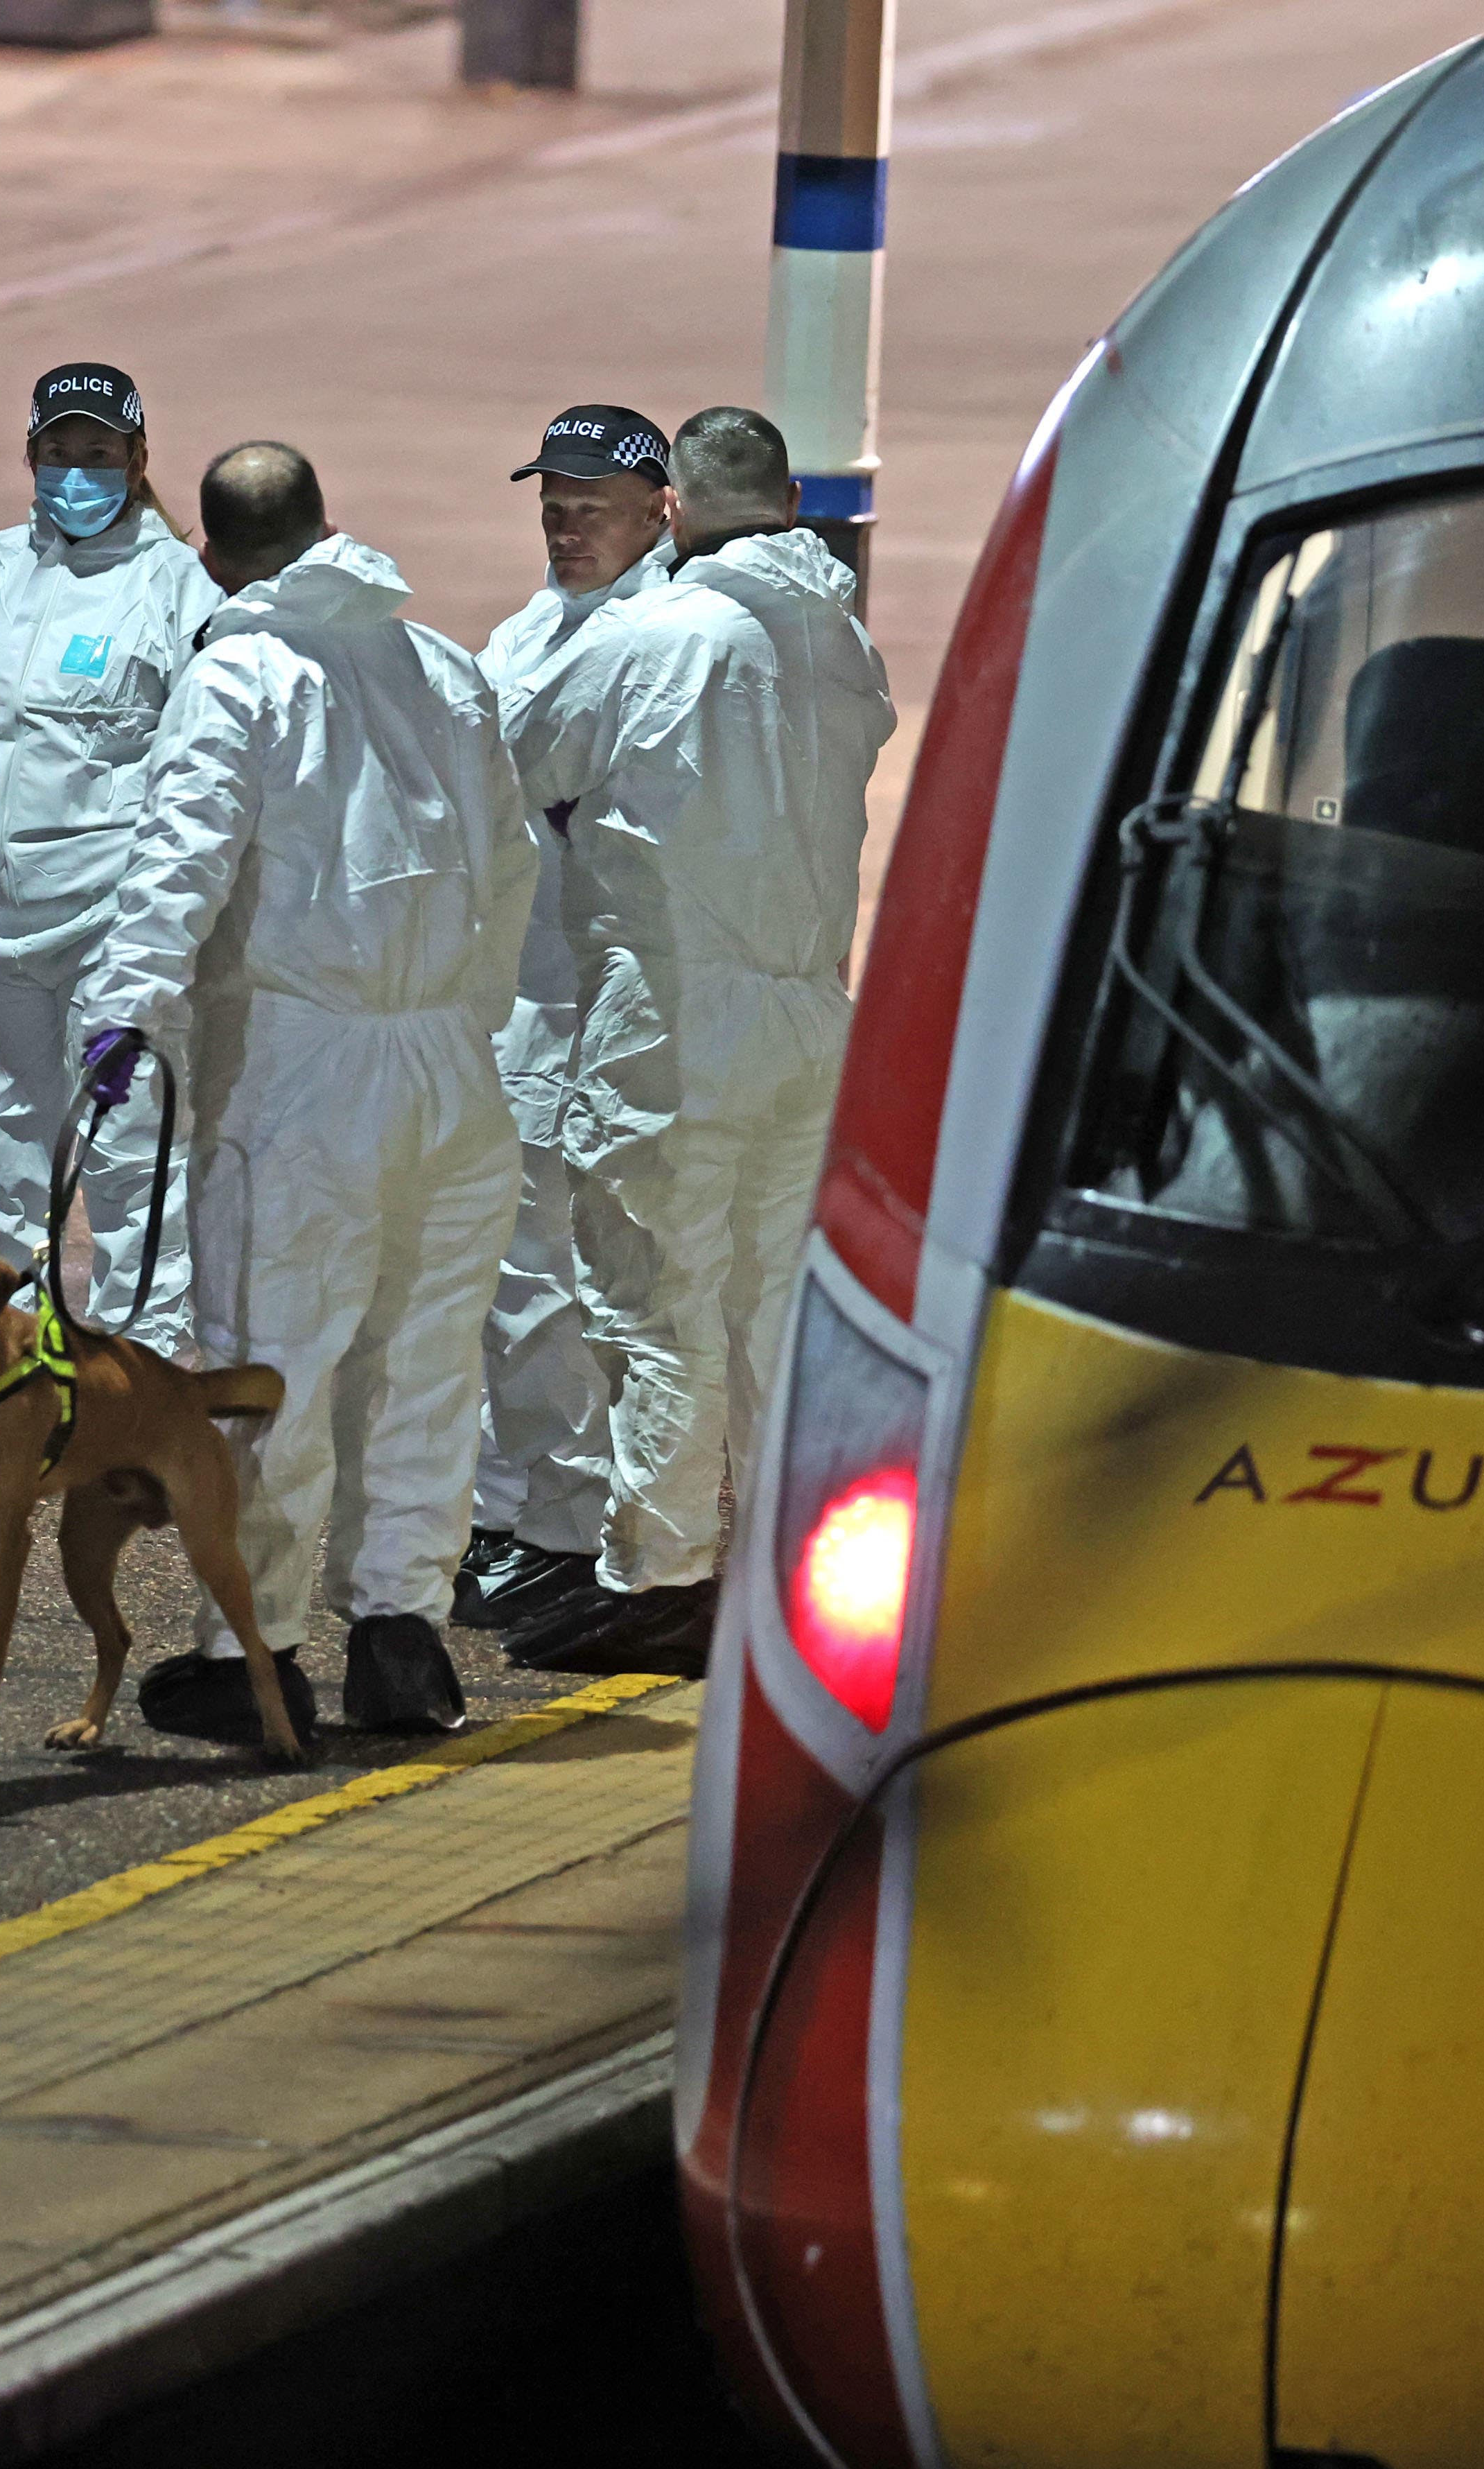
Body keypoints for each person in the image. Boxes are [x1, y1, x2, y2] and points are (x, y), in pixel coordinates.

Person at [78, 444, 538, 1741]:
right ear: (333, 528)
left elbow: (181, 860)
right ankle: (403, 1644)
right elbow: (509, 870)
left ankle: (255, 1652)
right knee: (427, 1365)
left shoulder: (238, 674)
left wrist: (124, 1015)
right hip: (450, 1069)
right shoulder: (440, 666)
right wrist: (460, 1014)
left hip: (304, 1067)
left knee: (270, 1366)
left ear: (214, 558)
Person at [498, 406, 896, 1677]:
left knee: (656, 1301)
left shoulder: (658, 632)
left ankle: (660, 1575)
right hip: (805, 1014)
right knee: (774, 1308)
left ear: (672, 502)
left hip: (675, 1016)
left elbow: (522, 749)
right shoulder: (842, 638)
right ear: (791, 501)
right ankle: (787, 1571)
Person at [0, 362, 221, 1344]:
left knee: (131, 1160)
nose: (76, 472)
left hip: (116, 931)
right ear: (29, 456)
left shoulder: (179, 587)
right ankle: (5, 1377)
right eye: (58, 453)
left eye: (98, 454)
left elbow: (208, 769)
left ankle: (133, 1386)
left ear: (138, 458)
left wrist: (181, 915)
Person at [455, 404, 676, 1636]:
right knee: (503, 1275)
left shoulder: (645, 636)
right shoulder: (534, 624)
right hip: (514, 996)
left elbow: (500, 773)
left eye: (593, 502)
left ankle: (560, 1526)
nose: (566, 519)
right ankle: (511, 1510)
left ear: (660, 510)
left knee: (558, 1283)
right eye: (553, 498)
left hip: (579, 1004)